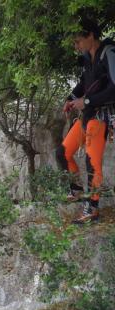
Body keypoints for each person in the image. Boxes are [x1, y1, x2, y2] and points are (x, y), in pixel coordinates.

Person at [56, 18, 115, 224]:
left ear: (91, 35)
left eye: (78, 41)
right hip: (87, 115)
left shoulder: (108, 53)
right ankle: (77, 190)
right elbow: (83, 84)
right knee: (63, 153)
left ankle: (92, 208)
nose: (76, 46)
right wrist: (70, 99)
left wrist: (87, 100)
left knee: (92, 162)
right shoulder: (87, 57)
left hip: (101, 116)